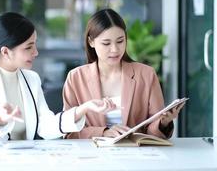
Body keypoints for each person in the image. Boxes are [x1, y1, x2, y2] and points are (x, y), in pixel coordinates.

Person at [0, 12, 116, 143]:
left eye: (35, 44)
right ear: (5, 52)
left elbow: (46, 125)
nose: (36, 52)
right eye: (28, 47)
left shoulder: (31, 79)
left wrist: (84, 108)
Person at [63, 8, 184, 139]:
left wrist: (163, 122)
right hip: (93, 155)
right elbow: (68, 130)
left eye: (120, 41)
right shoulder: (75, 78)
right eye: (106, 43)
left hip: (137, 153)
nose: (115, 49)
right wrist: (103, 132)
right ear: (91, 42)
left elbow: (152, 130)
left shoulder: (146, 74)